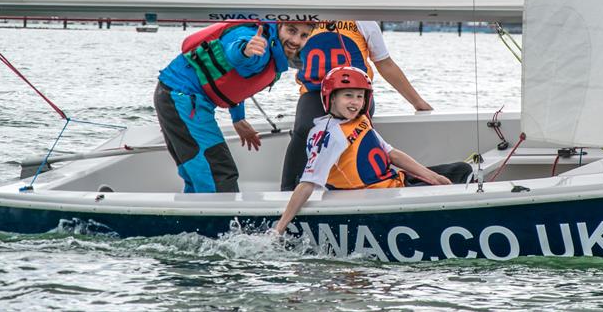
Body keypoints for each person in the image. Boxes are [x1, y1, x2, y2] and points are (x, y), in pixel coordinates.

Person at [272, 67, 471, 234]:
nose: (355, 102)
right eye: (348, 95)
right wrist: (280, 228)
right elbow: (307, 184)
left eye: (360, 96)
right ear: (331, 98)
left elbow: (391, 154)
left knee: (462, 170)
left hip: (395, 183)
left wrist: (433, 177)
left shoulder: (360, 120)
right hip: (378, 198)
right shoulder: (328, 135)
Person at [154, 20, 314, 193]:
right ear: (279, 26)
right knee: (218, 172)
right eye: (291, 31)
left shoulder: (271, 48)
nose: (296, 41)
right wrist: (245, 50)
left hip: (176, 96)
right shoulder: (258, 43)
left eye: (304, 35)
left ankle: (194, 217)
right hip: (182, 98)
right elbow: (235, 53)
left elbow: (236, 81)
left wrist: (238, 118)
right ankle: (219, 220)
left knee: (199, 174)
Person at [280, 20, 433, 190]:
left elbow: (385, 63)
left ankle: (365, 184)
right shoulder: (305, 19)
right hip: (315, 92)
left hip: (355, 91)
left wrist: (417, 102)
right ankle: (287, 191)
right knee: (304, 129)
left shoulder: (364, 21)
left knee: (356, 133)